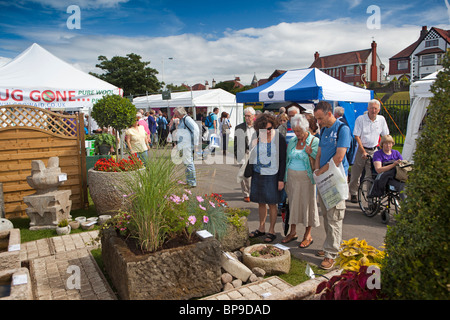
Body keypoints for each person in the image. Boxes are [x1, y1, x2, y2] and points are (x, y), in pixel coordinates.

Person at [313, 101, 351, 270]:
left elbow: (339, 157)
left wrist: (321, 171)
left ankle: (331, 254)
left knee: (335, 217)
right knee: (327, 216)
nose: (318, 122)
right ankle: (329, 245)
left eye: (320, 118)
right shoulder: (324, 130)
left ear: (329, 114)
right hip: (323, 179)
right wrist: (316, 169)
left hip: (335, 180)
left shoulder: (343, 129)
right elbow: (320, 152)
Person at [248, 113, 287, 243]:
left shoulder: (279, 138)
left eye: (270, 128)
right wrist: (254, 145)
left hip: (273, 175)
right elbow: (252, 156)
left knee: (272, 203)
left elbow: (283, 160)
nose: (268, 131)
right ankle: (261, 227)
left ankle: (272, 230)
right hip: (258, 173)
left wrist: (281, 179)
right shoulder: (258, 136)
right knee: (261, 202)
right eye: (264, 130)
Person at [283, 114, 320, 248]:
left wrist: (311, 152)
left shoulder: (314, 141)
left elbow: (319, 160)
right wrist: (285, 178)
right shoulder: (293, 141)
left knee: (307, 206)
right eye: (294, 130)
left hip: (307, 180)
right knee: (292, 205)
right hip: (292, 179)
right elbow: (288, 159)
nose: (296, 133)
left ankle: (307, 235)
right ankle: (292, 232)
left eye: (298, 131)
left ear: (305, 129)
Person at [349, 99, 389, 203]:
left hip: (374, 150)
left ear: (379, 110)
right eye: (371, 108)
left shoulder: (381, 120)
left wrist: (386, 149)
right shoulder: (361, 119)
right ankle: (353, 193)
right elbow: (357, 136)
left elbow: (385, 135)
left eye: (375, 108)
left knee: (371, 175)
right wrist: (362, 151)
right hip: (362, 149)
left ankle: (370, 199)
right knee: (356, 173)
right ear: (368, 109)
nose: (373, 110)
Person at [371, 135, 405, 200]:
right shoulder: (378, 154)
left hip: (397, 176)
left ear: (392, 144)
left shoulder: (396, 153)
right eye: (386, 143)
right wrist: (393, 165)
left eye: (390, 143)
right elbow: (378, 170)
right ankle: (405, 207)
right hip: (384, 177)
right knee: (401, 187)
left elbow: (402, 165)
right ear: (382, 144)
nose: (388, 145)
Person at [173, 107, 200, 188]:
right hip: (184, 144)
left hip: (187, 145)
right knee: (187, 163)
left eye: (176, 113)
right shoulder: (182, 120)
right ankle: (189, 181)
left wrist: (195, 144)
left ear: (180, 113)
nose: (175, 115)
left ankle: (192, 182)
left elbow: (196, 130)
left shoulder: (187, 119)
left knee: (189, 163)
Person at [234, 107, 256, 202]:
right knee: (244, 175)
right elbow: (236, 143)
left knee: (256, 174)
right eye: (245, 116)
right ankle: (246, 194)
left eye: (249, 116)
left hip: (256, 152)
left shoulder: (259, 127)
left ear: (253, 116)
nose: (247, 118)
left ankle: (255, 193)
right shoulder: (239, 127)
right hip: (244, 153)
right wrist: (237, 155)